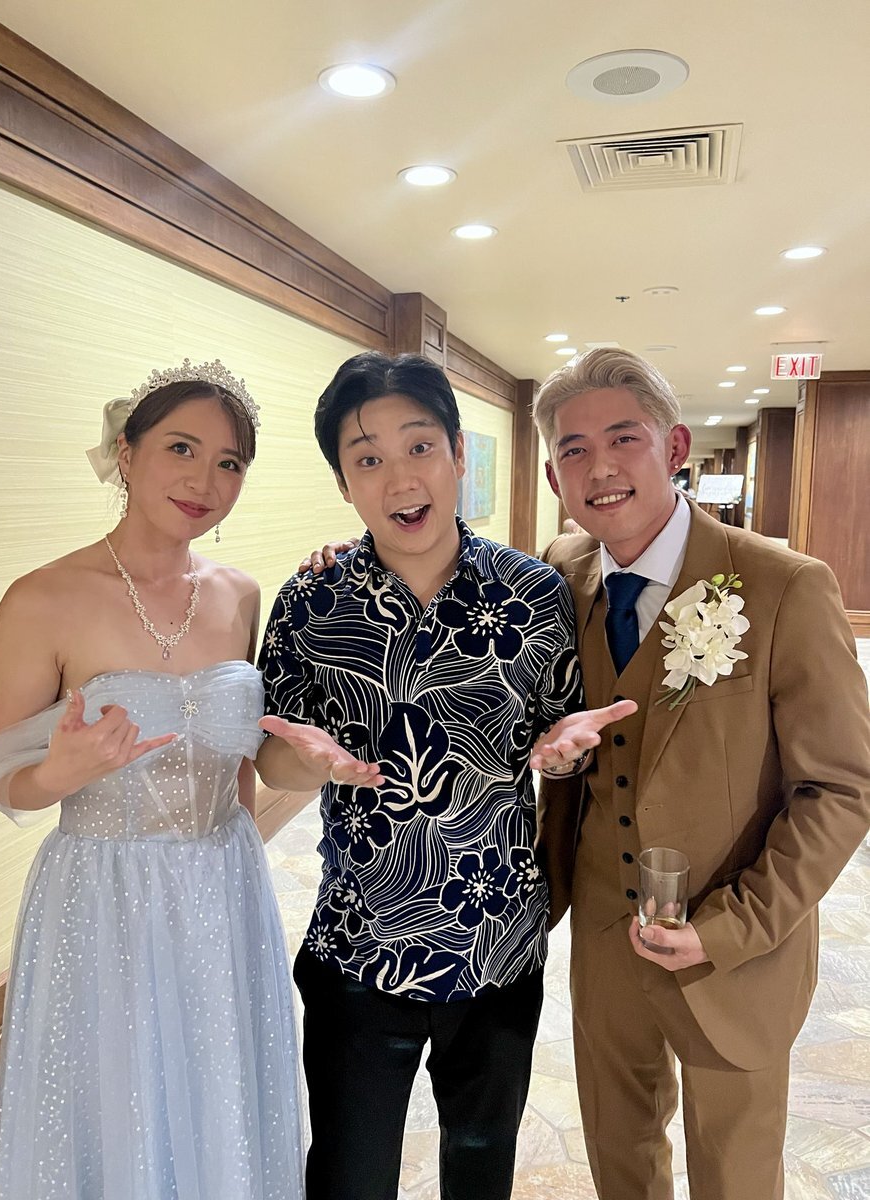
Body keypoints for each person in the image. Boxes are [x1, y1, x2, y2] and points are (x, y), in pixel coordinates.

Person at [254, 350, 633, 1200]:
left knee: (480, 1164)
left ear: (460, 454)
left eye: (420, 446)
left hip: (496, 940)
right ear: (344, 483)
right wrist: (302, 762)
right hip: (360, 946)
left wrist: (566, 750)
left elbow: (560, 731)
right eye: (368, 459)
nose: (400, 478)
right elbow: (272, 750)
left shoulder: (534, 593)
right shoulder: (311, 602)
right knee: (349, 1174)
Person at [532, 347, 870, 1200]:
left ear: (675, 446)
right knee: (619, 1153)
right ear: (553, 475)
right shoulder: (559, 575)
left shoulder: (785, 586)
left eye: (624, 438)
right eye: (574, 449)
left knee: (736, 1173)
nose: (600, 468)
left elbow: (841, 788)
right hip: (603, 930)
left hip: (736, 946)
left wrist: (733, 927)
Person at [0, 360, 303, 1200]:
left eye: (229, 462)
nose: (204, 481)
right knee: (116, 1096)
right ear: (126, 451)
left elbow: (238, 764)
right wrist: (58, 771)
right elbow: (2, 776)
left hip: (225, 880)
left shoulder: (240, 595)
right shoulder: (41, 599)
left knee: (215, 1084)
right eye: (181, 448)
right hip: (103, 891)